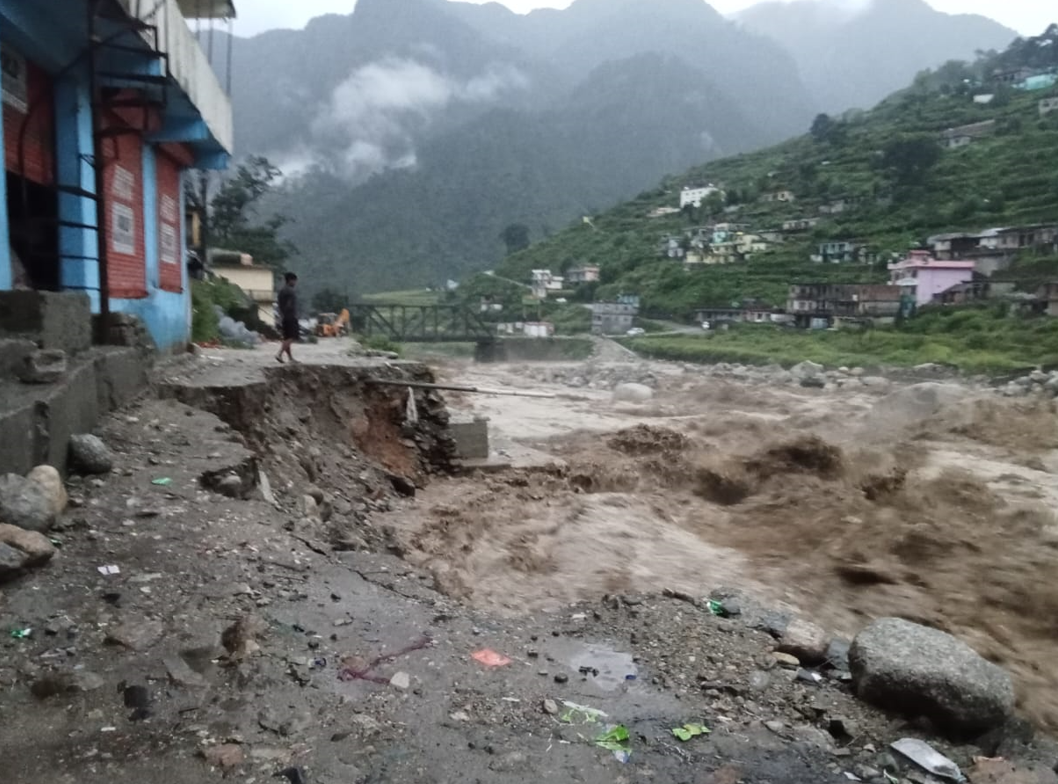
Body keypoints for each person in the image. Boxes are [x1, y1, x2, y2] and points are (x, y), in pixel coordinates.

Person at [276, 272, 299, 363]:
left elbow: (280, 305)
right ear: (290, 280)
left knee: (287, 337)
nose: (295, 283)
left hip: (284, 317)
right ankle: (279, 354)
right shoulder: (290, 291)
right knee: (292, 337)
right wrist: (292, 314)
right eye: (294, 281)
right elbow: (289, 305)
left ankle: (290, 358)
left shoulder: (281, 291)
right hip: (290, 317)